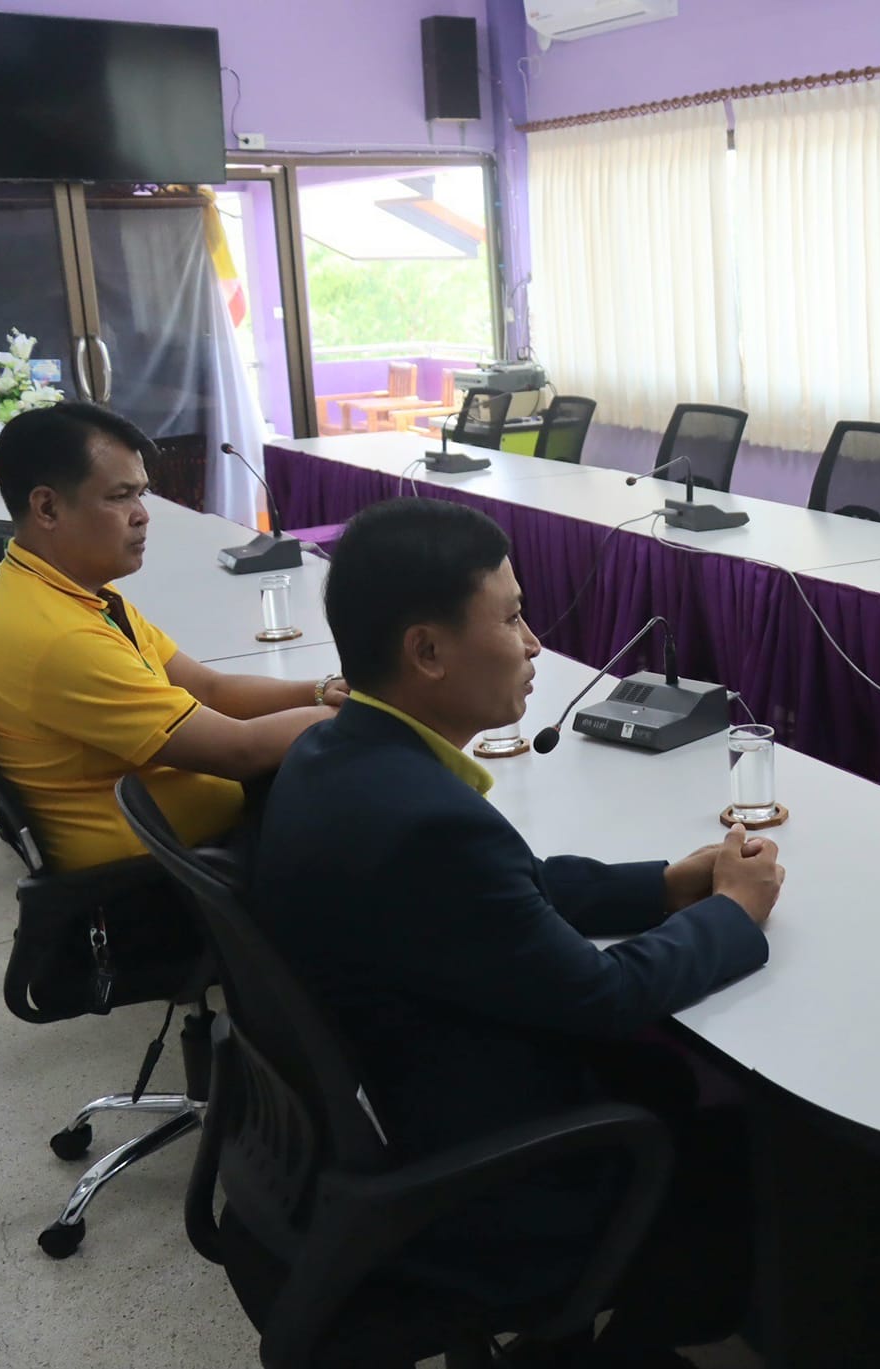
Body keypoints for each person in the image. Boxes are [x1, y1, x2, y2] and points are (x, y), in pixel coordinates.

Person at [253, 497, 781, 1363]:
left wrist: (660, 885)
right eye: (511, 617)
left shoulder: (337, 753)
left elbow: (510, 888)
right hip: (485, 1176)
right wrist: (734, 912)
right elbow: (604, 995)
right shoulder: (426, 822)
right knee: (725, 1123)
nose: (534, 642)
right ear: (427, 651)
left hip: (389, 1110)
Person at [0, 402, 345, 871]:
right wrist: (361, 712)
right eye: (120, 496)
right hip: (163, 875)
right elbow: (239, 750)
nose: (142, 515)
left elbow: (210, 688)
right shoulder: (57, 636)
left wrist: (319, 691)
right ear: (47, 507)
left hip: (190, 839)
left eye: (141, 494)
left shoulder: (65, 591)